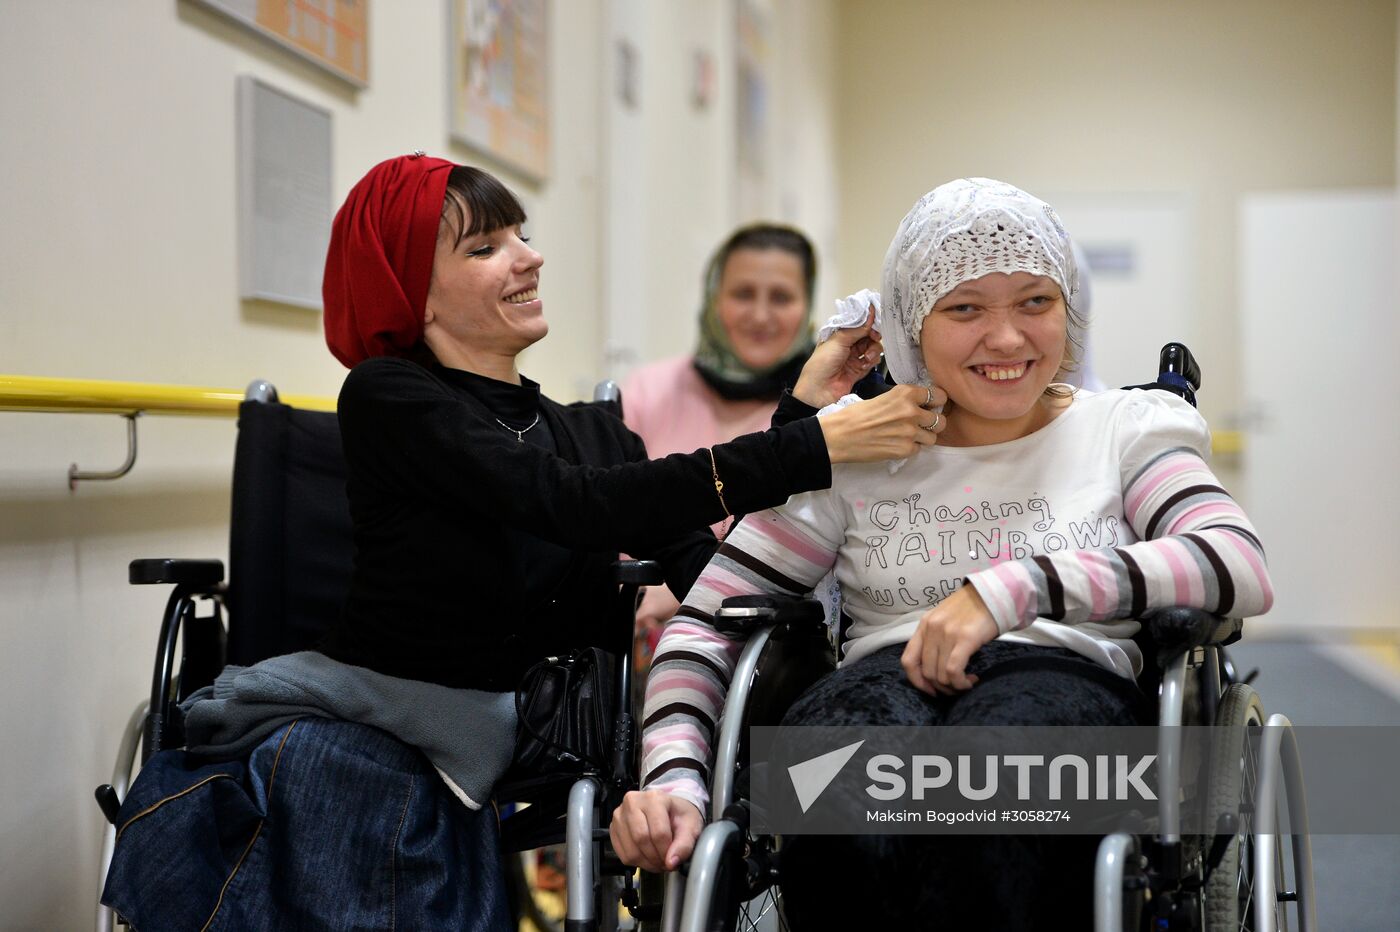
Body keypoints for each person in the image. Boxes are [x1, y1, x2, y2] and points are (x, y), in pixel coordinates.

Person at [100, 153, 945, 930]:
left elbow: (721, 576)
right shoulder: (389, 399)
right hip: (377, 707)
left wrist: (802, 412)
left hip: (544, 730)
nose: (528, 258)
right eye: (486, 248)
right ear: (412, 293)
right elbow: (569, 505)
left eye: (523, 237)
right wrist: (812, 445)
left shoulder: (591, 433)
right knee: (330, 767)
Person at [610, 177, 1274, 929]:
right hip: (874, 687)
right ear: (908, 326)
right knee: (835, 797)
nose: (1008, 339)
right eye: (964, 308)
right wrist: (674, 781)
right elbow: (706, 626)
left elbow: (1234, 562)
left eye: (1035, 302)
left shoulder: (1126, 428)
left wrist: (1009, 591)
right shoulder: (860, 442)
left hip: (1061, 679)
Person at [622, 223, 821, 652]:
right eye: (743, 294)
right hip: (638, 648)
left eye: (782, 297)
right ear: (715, 297)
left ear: (807, 306)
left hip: (776, 652)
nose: (761, 316)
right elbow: (612, 521)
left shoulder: (824, 409)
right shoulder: (645, 393)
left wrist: (687, 590)